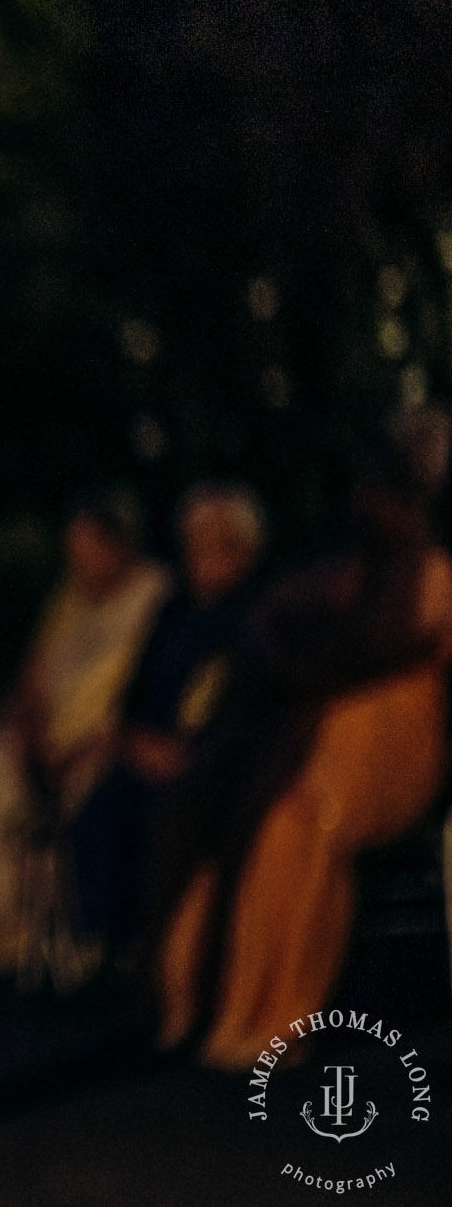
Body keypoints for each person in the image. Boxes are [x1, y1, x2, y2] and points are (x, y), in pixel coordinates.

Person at [155, 411, 452, 1067]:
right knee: (243, 813)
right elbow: (276, 630)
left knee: (299, 822)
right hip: (312, 741)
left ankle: (280, 1015)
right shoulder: (339, 576)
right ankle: (217, 1002)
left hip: (386, 752)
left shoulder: (431, 578)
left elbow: (402, 639)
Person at [0, 485, 169, 984]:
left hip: (97, 745)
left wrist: (85, 746)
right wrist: (26, 731)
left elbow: (141, 689)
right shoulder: (73, 594)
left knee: (78, 799)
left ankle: (54, 940)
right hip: (41, 741)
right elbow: (35, 672)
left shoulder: (152, 598)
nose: (80, 561)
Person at [69, 481, 267, 963]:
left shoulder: (257, 615)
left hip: (209, 764)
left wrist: (187, 755)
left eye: (214, 543)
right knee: (101, 804)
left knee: (162, 816)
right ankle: (106, 947)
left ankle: (161, 952)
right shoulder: (174, 608)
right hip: (146, 752)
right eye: (193, 542)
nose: (201, 555)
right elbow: (137, 688)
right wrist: (128, 738)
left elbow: (244, 709)